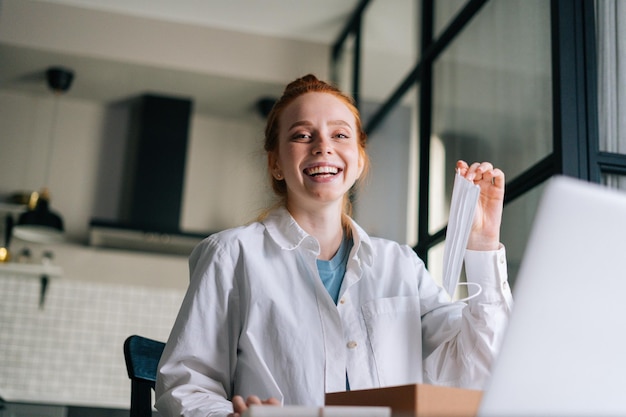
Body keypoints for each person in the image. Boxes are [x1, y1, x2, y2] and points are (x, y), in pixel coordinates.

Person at [155, 74, 513, 417]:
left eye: (340, 135)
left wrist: (482, 244)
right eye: (301, 135)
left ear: (358, 160)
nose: (323, 146)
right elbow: (186, 384)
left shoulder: (401, 265)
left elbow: (479, 369)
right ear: (276, 163)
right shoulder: (232, 256)